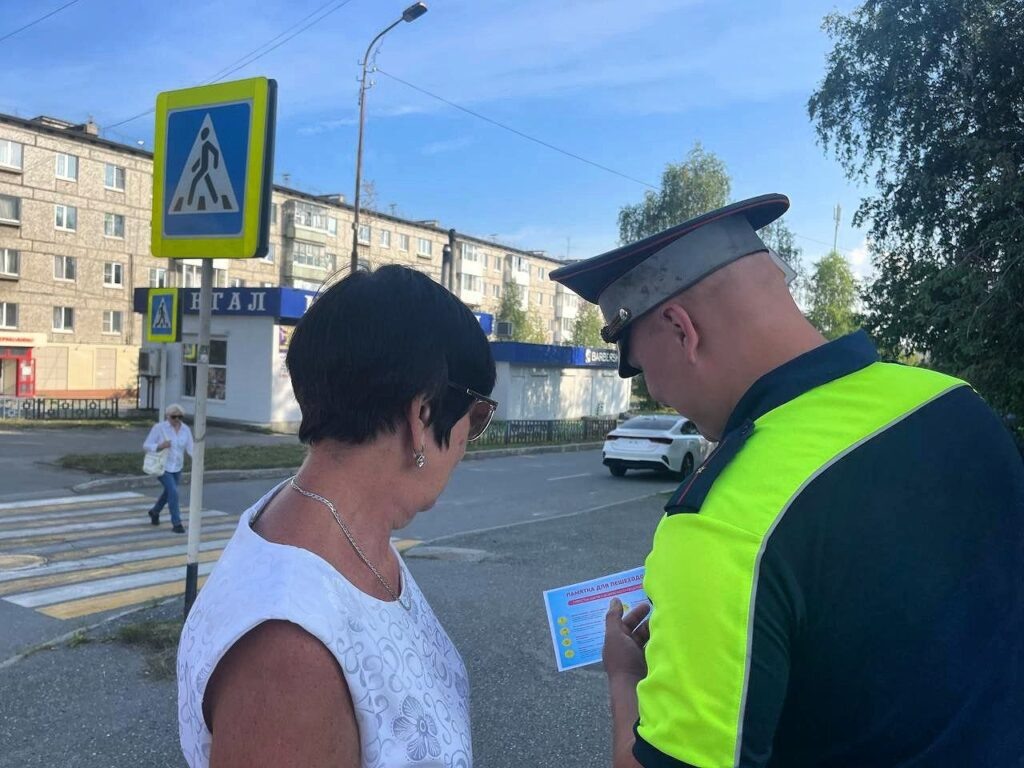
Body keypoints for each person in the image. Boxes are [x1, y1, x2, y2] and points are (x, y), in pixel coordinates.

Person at [550, 194, 1024, 767]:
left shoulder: (722, 525)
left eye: (642, 368)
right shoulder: (954, 400)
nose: (655, 391)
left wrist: (624, 676)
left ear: (681, 329)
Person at [178, 265, 497, 767]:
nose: (465, 446)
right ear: (422, 415)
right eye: (475, 418)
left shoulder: (349, 533)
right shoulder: (289, 651)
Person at [143, 403, 193, 533]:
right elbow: (146, 445)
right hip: (162, 467)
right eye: (174, 417)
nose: (177, 420)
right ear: (168, 416)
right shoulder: (159, 428)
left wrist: (198, 461)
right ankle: (177, 523)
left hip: (177, 467)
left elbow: (191, 448)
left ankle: (155, 511)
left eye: (180, 417)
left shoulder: (185, 429)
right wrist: (160, 446)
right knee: (174, 493)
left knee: (169, 492)